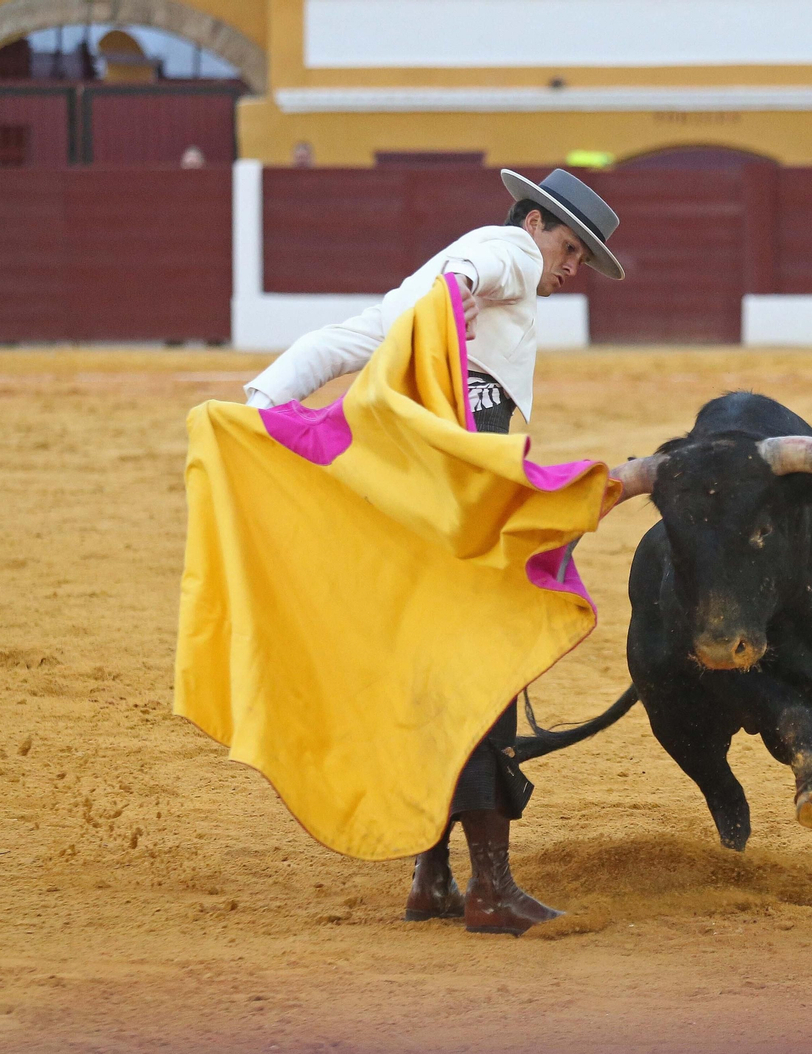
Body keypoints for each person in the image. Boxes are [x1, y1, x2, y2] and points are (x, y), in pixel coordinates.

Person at [242, 169, 625, 935]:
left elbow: (337, 342)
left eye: (582, 255)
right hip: (462, 519)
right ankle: (489, 890)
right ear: (535, 221)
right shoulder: (505, 251)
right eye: (571, 247)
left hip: (434, 514)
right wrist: (456, 295)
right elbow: (475, 270)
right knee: (481, 686)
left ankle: (432, 876)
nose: (571, 267)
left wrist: (262, 401)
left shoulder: (416, 307)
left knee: (438, 687)